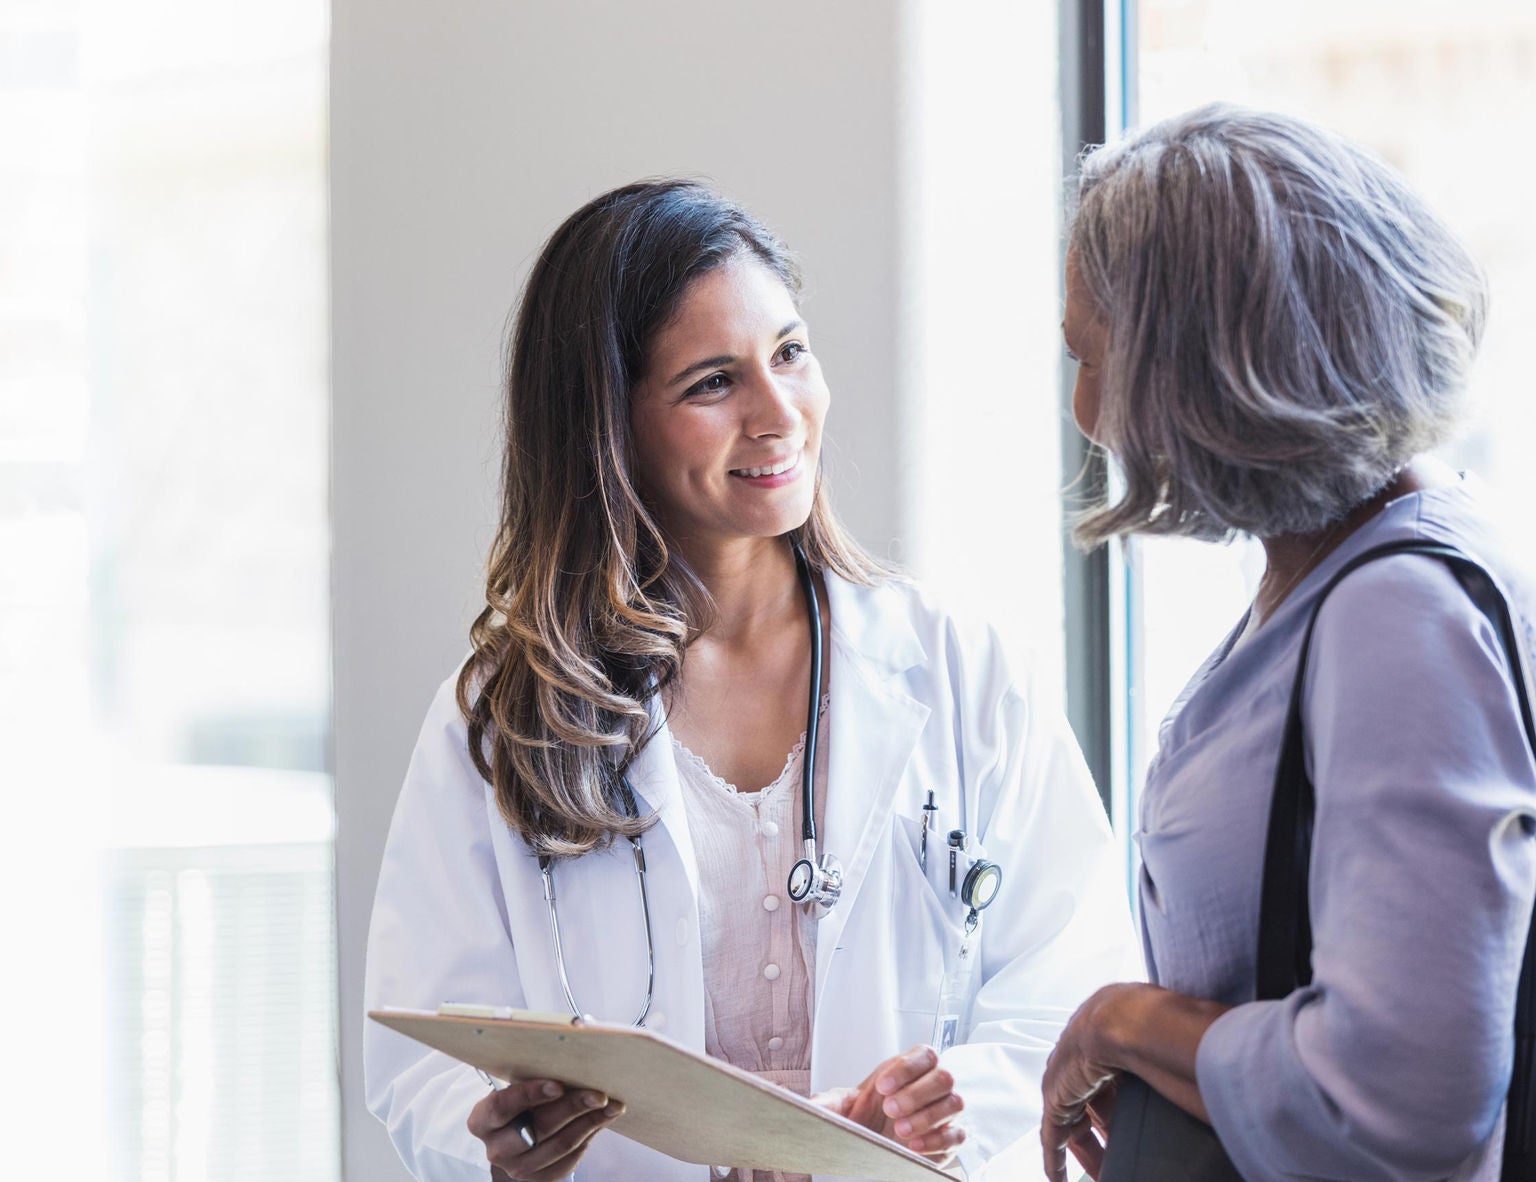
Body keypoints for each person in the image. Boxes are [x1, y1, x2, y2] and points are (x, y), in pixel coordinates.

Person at [363, 179, 1139, 1182]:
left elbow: (1072, 992)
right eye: (710, 383)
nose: (778, 414)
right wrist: (503, 1138)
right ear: (610, 424)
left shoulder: (962, 673)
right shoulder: (499, 715)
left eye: (788, 354)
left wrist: (919, 1112)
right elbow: (421, 1061)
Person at [1039, 104, 1536, 1181]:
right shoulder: (1348, 561)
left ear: (1201, 374)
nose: (1084, 410)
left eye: (1088, 357)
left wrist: (1125, 1024)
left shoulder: (1397, 615)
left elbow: (1400, 1097)